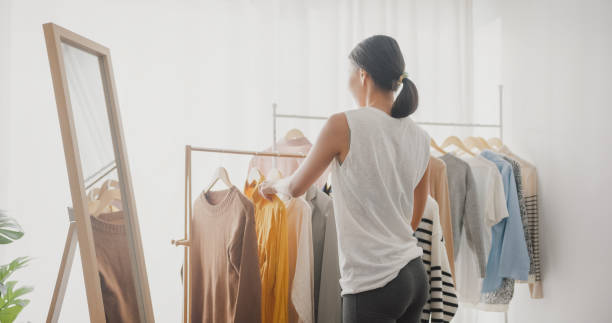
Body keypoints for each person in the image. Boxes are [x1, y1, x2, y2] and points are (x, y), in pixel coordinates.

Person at [260, 35, 431, 323]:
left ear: (362, 75)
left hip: (373, 283)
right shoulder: (421, 137)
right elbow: (417, 211)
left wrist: (272, 185)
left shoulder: (343, 124)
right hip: (412, 274)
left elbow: (296, 186)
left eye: (349, 74)